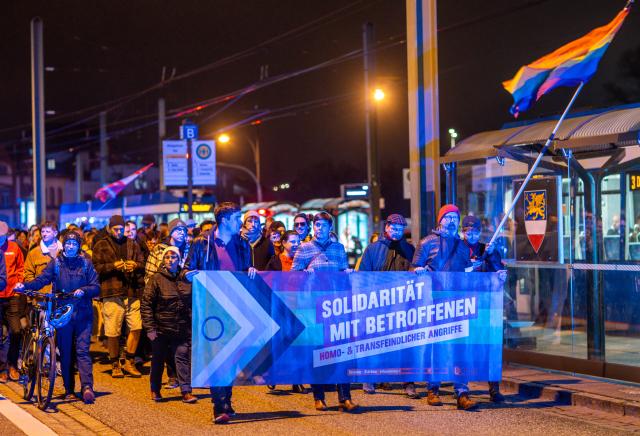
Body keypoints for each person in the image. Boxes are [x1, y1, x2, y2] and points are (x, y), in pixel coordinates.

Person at [186, 202, 256, 424]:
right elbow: (187, 269)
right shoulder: (201, 242)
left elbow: (245, 270)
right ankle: (219, 405)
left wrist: (250, 270)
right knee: (217, 355)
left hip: (236, 307)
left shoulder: (243, 243)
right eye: (237, 218)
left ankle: (227, 400)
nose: (241, 223)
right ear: (225, 220)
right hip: (211, 307)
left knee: (233, 355)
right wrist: (188, 275)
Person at [15, 231, 99, 403]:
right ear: (63, 245)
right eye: (67, 243)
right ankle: (69, 389)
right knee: (66, 352)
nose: (70, 246)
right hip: (63, 315)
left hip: (83, 314)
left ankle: (87, 387)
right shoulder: (56, 264)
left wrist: (85, 291)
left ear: (78, 246)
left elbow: (96, 286)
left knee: (82, 351)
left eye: (74, 244)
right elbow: (41, 281)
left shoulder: (86, 264)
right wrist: (24, 286)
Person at [291, 212, 358, 413]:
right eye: (316, 225)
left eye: (323, 225)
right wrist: (303, 274)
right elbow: (292, 277)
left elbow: (344, 273)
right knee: (318, 353)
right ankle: (318, 397)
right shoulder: (304, 248)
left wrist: (348, 272)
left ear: (330, 227)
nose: (319, 228)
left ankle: (344, 397)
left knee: (342, 352)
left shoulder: (338, 248)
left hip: (337, 307)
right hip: (314, 308)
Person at [412, 204, 477, 410]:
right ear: (440, 220)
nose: (451, 221)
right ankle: (433, 389)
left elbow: (464, 272)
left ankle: (462, 392)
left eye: (455, 217)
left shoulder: (462, 245)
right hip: (434, 303)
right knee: (436, 346)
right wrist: (418, 270)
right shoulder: (426, 243)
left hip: (457, 303)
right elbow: (413, 268)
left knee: (460, 347)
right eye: (447, 217)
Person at [358, 214, 418, 399]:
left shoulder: (409, 249)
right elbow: (363, 276)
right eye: (393, 228)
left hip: (402, 304)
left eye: (400, 229)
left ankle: (408, 382)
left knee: (405, 344)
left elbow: (415, 272)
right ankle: (370, 378)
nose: (396, 232)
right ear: (386, 227)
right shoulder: (373, 249)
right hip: (378, 304)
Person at [141, 246, 196, 404]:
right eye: (167, 257)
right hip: (161, 328)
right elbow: (146, 305)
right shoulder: (156, 279)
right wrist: (150, 328)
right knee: (158, 359)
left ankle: (186, 391)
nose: (170, 260)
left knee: (182, 358)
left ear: (179, 260)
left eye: (174, 257)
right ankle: (155, 389)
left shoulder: (185, 277)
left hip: (181, 327)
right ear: (163, 260)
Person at [92, 215, 145, 378]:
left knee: (136, 327)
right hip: (111, 291)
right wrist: (113, 266)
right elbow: (95, 268)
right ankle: (115, 363)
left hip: (132, 291)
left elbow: (143, 263)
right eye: (116, 229)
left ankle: (129, 360)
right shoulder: (101, 245)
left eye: (121, 229)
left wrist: (134, 265)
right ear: (110, 228)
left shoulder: (132, 244)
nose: (119, 232)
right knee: (113, 330)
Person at [461, 215, 506, 403]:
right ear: (462, 232)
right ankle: (462, 389)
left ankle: (494, 388)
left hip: (485, 305)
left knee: (489, 346)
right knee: (463, 348)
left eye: (475, 232)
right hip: (463, 305)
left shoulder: (486, 249)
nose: (471, 235)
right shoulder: (457, 249)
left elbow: (498, 273)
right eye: (468, 231)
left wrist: (493, 256)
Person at [265, 230, 304, 394]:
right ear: (283, 243)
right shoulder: (274, 261)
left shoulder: (303, 260)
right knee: (280, 343)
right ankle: (274, 375)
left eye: (297, 241)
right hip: (280, 306)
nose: (295, 244)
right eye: (292, 241)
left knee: (298, 344)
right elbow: (266, 280)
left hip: (299, 305)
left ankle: (297, 380)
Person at [0, 220, 25, 382]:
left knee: (16, 331)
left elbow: (21, 268)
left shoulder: (14, 248)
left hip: (13, 296)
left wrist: (19, 284)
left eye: (2, 236)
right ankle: (2, 368)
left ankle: (12, 364)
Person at [24, 221, 62, 294]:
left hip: (62, 296)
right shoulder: (34, 253)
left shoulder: (64, 251)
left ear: (55, 233)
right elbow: (28, 274)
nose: (44, 234)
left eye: (48, 231)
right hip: (41, 296)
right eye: (42, 231)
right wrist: (35, 290)